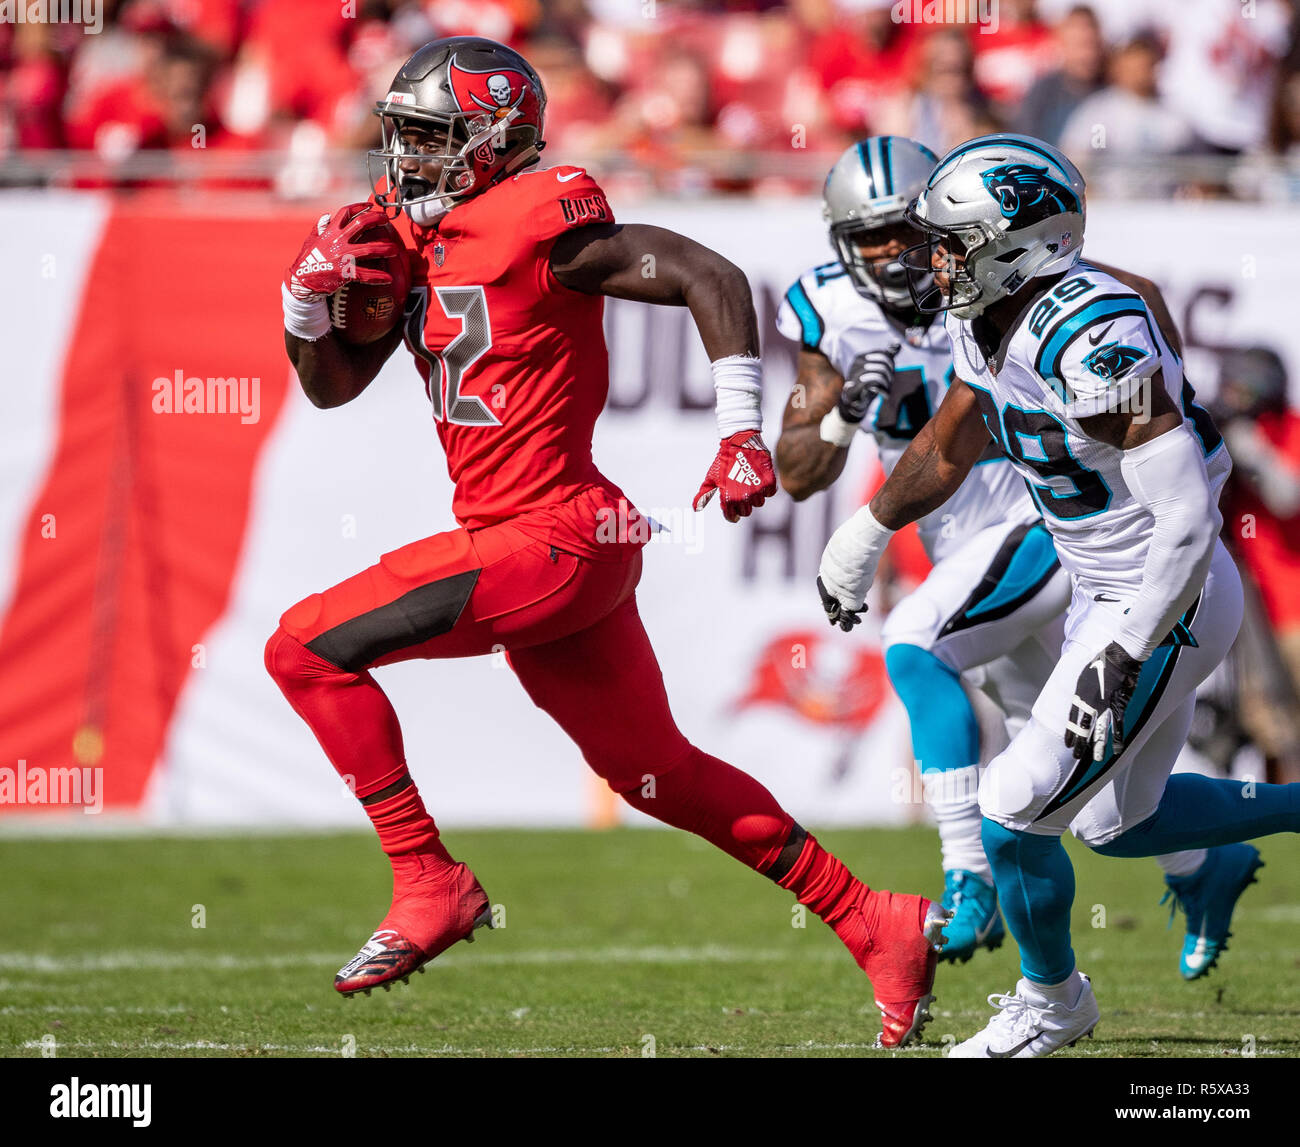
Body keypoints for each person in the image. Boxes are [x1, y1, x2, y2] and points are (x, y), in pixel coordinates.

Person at [266, 35, 948, 1049]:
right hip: (552, 543)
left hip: (552, 536)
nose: (403, 155)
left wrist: (738, 432)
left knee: (303, 649)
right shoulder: (410, 238)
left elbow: (704, 273)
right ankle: (872, 917)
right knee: (652, 772)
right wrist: (303, 308)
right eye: (401, 134)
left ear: (493, 141)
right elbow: (331, 385)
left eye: (428, 135)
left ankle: (428, 876)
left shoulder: (537, 218)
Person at [816, 133, 1295, 1057]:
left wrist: (1128, 645)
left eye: (952, 241)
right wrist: (867, 529)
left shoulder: (1087, 328)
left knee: (1012, 803)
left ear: (1016, 243)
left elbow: (1189, 519)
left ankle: (1053, 1003)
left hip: (1167, 595)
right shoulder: (986, 316)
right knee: (1120, 826)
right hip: (1101, 587)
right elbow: (952, 443)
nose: (933, 260)